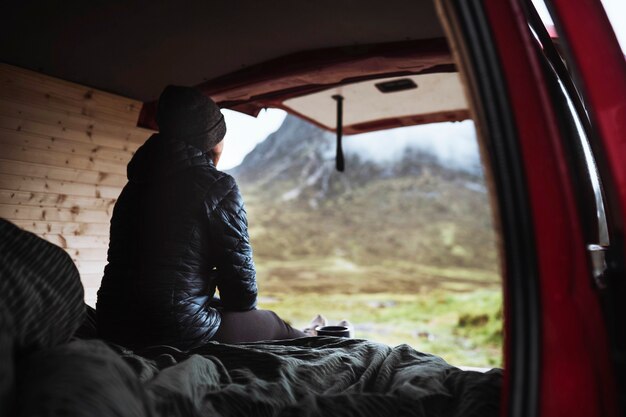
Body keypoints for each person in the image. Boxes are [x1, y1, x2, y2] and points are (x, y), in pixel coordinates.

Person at [96, 85, 305, 350]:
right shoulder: (217, 186)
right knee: (276, 324)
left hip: (112, 322)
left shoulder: (133, 187)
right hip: (171, 330)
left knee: (203, 306)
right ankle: (321, 338)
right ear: (211, 140)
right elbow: (241, 295)